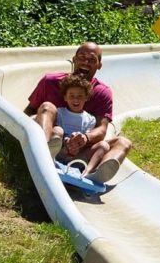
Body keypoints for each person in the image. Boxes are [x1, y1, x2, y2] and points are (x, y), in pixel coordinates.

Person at [24, 41, 132, 183]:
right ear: (74, 60)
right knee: (48, 107)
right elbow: (29, 111)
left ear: (99, 66)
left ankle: (95, 174)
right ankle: (43, 155)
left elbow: (102, 128)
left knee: (124, 142)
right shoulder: (50, 81)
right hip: (53, 139)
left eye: (92, 60)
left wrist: (84, 138)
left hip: (80, 152)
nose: (86, 62)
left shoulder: (102, 92)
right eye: (82, 57)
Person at [51, 74, 109, 177]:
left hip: (77, 157)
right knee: (57, 130)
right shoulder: (59, 112)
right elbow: (55, 134)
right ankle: (50, 159)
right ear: (65, 97)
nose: (76, 99)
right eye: (71, 96)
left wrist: (78, 144)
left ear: (86, 97)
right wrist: (66, 141)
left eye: (80, 96)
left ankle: (87, 173)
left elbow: (87, 141)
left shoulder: (90, 119)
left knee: (103, 145)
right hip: (59, 152)